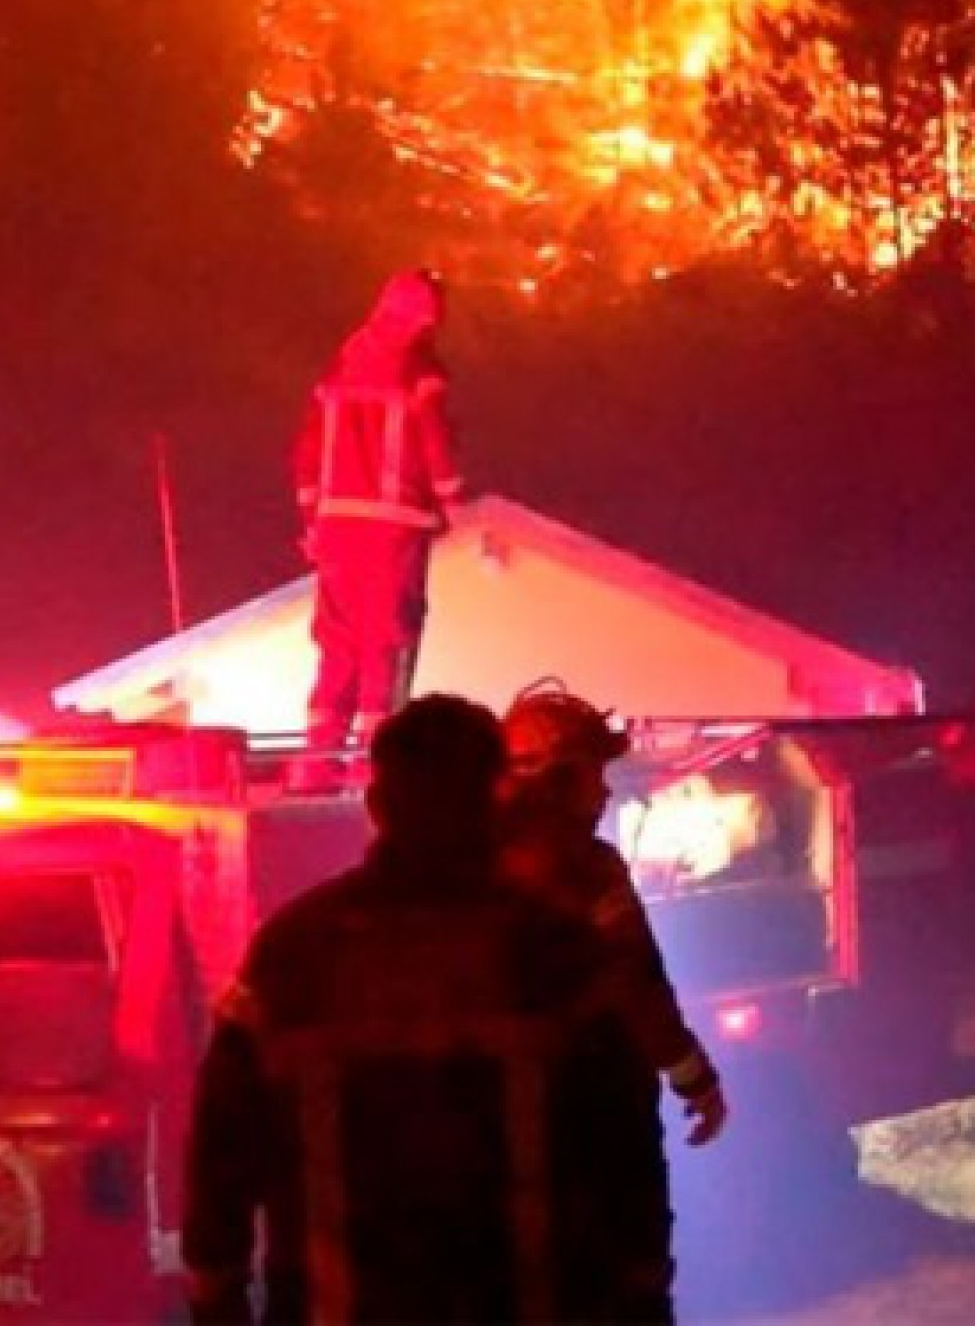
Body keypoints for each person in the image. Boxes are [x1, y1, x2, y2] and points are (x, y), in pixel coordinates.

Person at [183, 695, 672, 1323]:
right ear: (493, 805)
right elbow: (626, 1155)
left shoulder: (294, 954)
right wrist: (643, 1300)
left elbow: (222, 1153)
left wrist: (216, 1298)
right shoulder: (555, 953)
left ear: (379, 807)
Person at [497, 683, 730, 1146]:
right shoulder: (588, 867)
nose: (604, 791)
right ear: (556, 778)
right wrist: (694, 1078)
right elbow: (635, 979)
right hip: (572, 1099)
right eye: (592, 773)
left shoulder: (455, 857)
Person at [291, 268, 466, 776]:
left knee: (338, 646)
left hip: (334, 531)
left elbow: (305, 449)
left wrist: (311, 518)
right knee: (386, 643)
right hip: (393, 529)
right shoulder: (418, 367)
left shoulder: (340, 367)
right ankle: (374, 766)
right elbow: (433, 440)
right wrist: (452, 500)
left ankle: (315, 765)